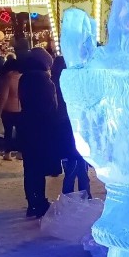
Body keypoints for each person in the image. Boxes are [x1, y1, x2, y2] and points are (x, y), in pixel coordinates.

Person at [18, 47, 61, 217]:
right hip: (41, 127)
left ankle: (32, 201)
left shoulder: (25, 77)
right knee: (38, 165)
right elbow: (50, 105)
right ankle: (39, 201)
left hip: (27, 125)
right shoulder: (43, 79)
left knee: (30, 167)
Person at [52, 56, 92, 198]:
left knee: (72, 166)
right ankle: (84, 195)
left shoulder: (53, 84)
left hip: (63, 127)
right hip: (75, 125)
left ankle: (69, 197)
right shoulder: (75, 84)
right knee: (79, 164)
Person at [0, 57, 22, 161]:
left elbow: (4, 96)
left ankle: (8, 153)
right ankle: (20, 152)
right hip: (21, 108)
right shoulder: (23, 77)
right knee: (20, 131)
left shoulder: (8, 78)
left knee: (8, 132)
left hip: (9, 108)